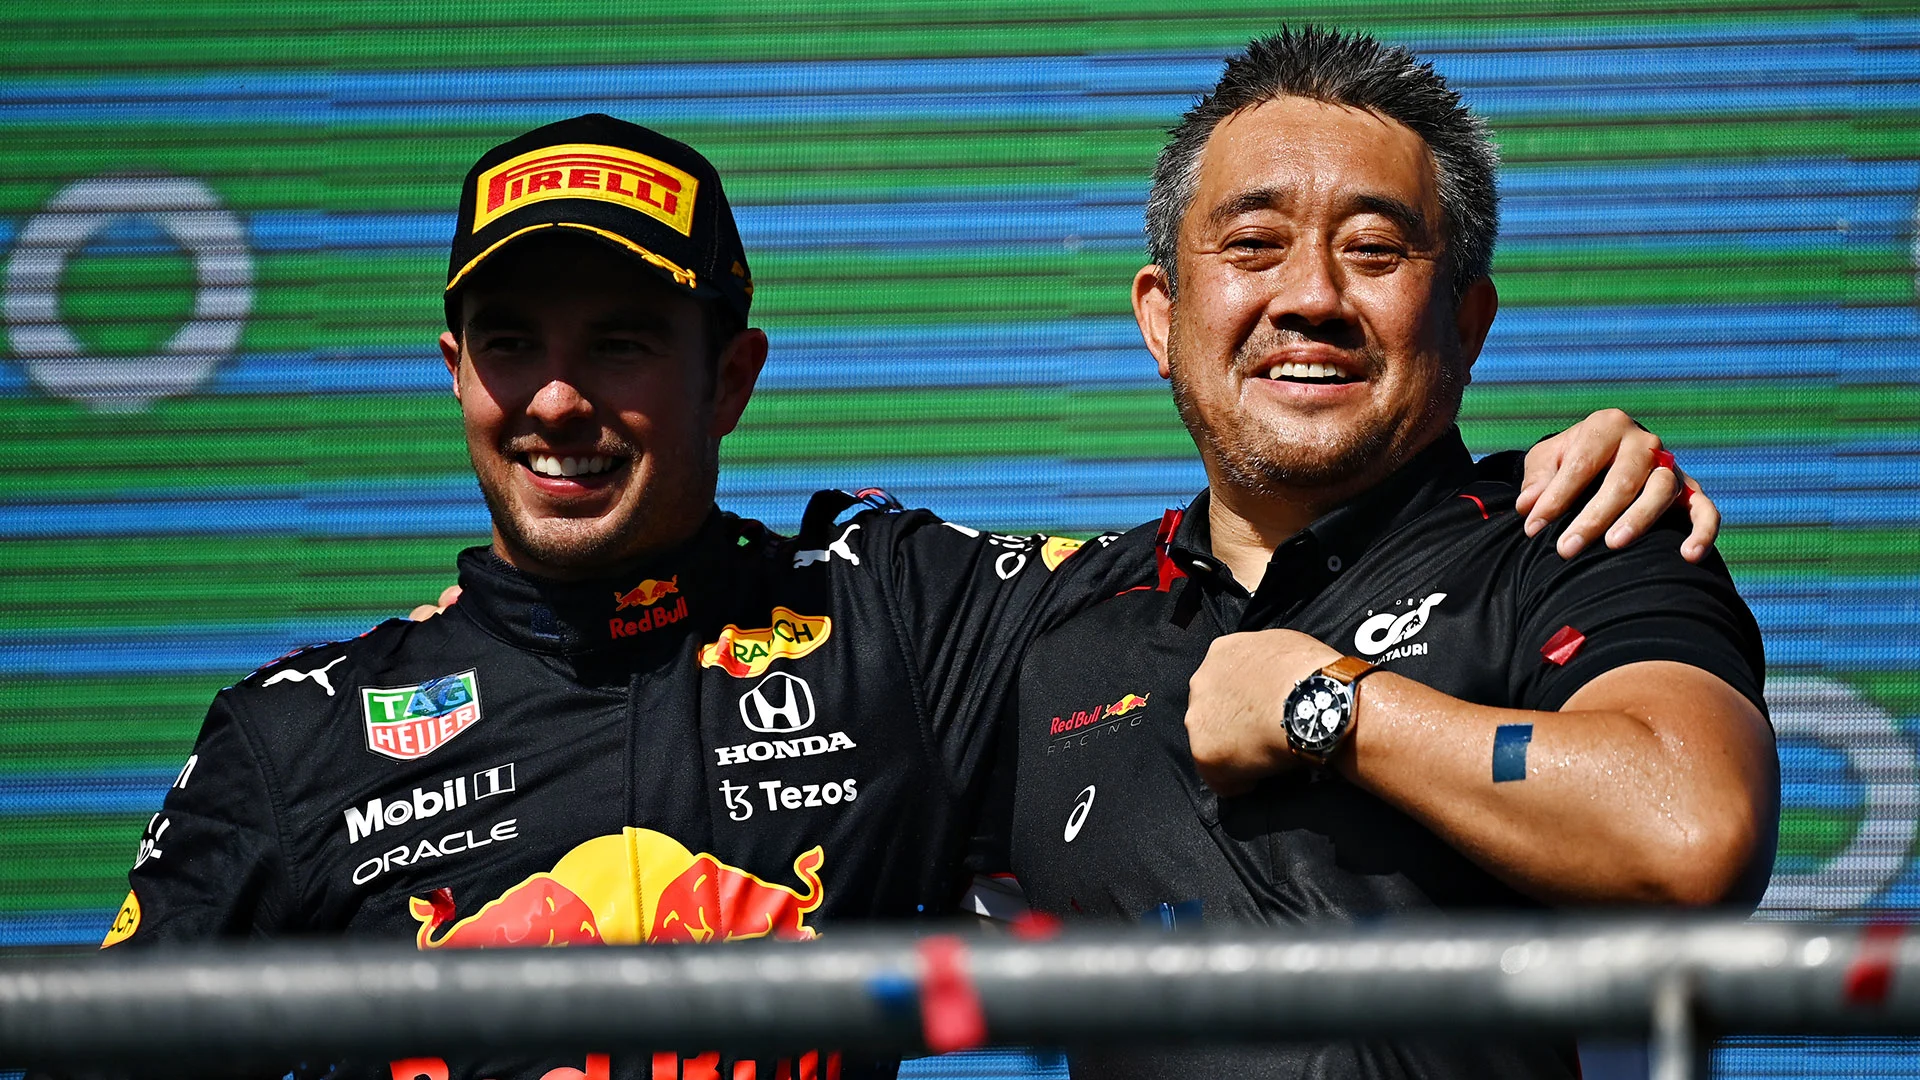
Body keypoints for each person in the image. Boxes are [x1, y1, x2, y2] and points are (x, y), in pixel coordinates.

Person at [106, 112, 1710, 1080]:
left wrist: (1516, 486)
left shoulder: (902, 617)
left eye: (622, 344)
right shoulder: (289, 737)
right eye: (513, 344)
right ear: (453, 371)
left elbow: (1264, 538)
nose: (559, 402)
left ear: (730, 375)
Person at [1002, 26, 1775, 1080]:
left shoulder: (1576, 532)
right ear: (1161, 315)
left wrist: (1332, 707)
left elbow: (1690, 829)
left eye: (1374, 250)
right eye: (1252, 244)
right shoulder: (1042, 629)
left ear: (1468, 317)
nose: (1311, 296)